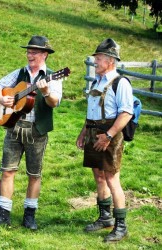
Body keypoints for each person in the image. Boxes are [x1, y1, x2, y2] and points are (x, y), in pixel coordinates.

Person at [0, 35, 62, 230]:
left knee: (34, 174)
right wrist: (3, 101)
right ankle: (2, 214)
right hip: (14, 126)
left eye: (34, 52)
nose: (30, 55)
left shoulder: (53, 76)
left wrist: (45, 92)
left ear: (45, 54)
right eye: (28, 51)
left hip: (37, 130)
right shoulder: (19, 73)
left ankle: (29, 215)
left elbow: (55, 102)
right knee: (8, 170)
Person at [76, 38, 133, 242]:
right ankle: (105, 217)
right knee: (99, 176)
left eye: (98, 58)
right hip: (93, 132)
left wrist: (108, 136)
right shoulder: (96, 82)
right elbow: (91, 111)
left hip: (110, 135)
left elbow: (126, 113)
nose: (95, 62)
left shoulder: (120, 83)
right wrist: (83, 132)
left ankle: (121, 225)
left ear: (110, 60)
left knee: (111, 178)